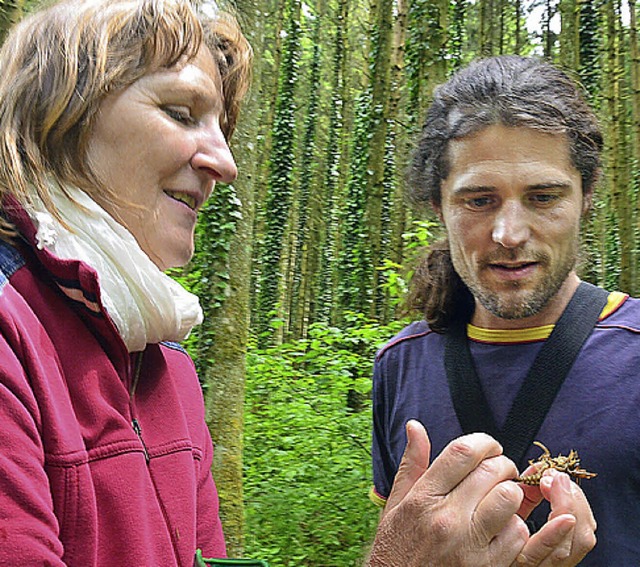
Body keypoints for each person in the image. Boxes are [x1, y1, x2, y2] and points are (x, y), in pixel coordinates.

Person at [0, 0, 251, 564]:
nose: (225, 161)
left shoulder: (170, 367)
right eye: (182, 113)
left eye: (221, 127)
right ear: (61, 119)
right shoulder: (11, 335)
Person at [369, 55, 640, 566]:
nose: (509, 235)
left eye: (542, 197)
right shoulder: (400, 364)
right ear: (438, 204)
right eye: (479, 201)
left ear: (585, 196)